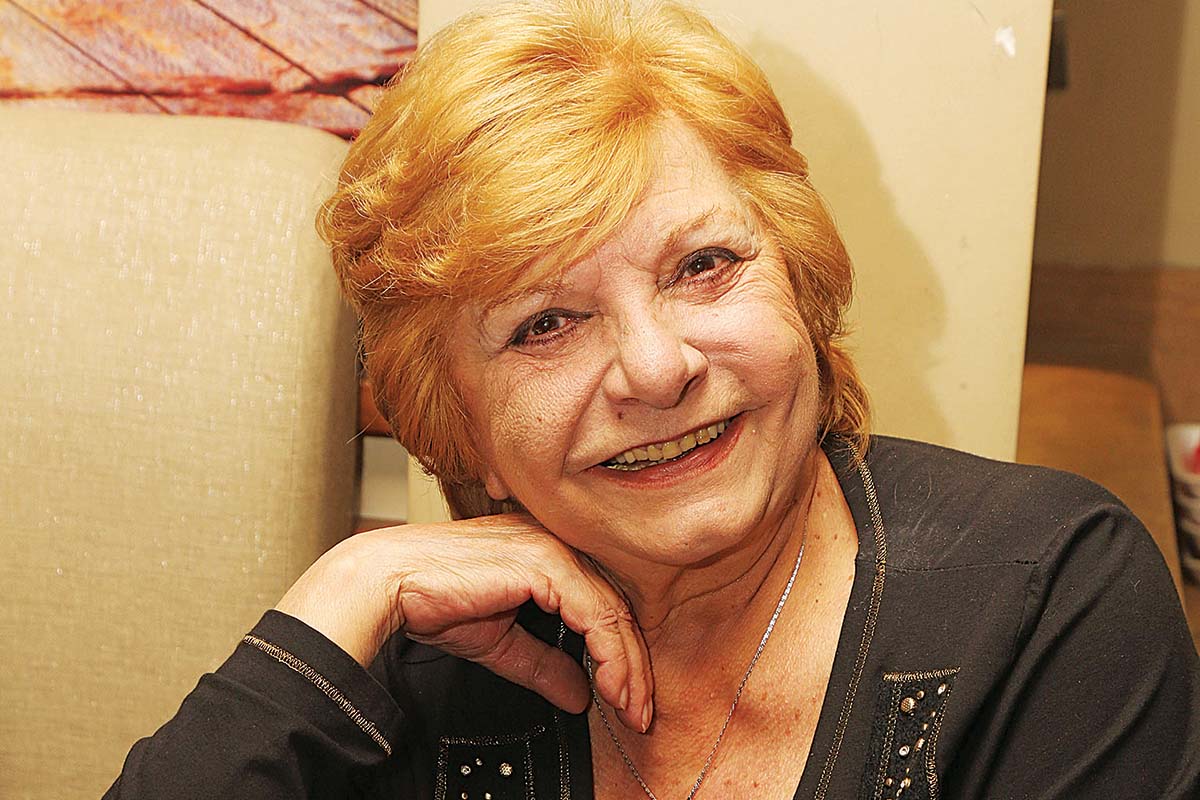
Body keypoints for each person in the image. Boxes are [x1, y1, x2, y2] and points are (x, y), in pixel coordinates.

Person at [106, 1, 1200, 798]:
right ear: (460, 427)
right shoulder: (425, 659)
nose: (658, 366)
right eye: (546, 323)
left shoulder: (1048, 600)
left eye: (704, 265)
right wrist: (349, 587)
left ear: (799, 280)